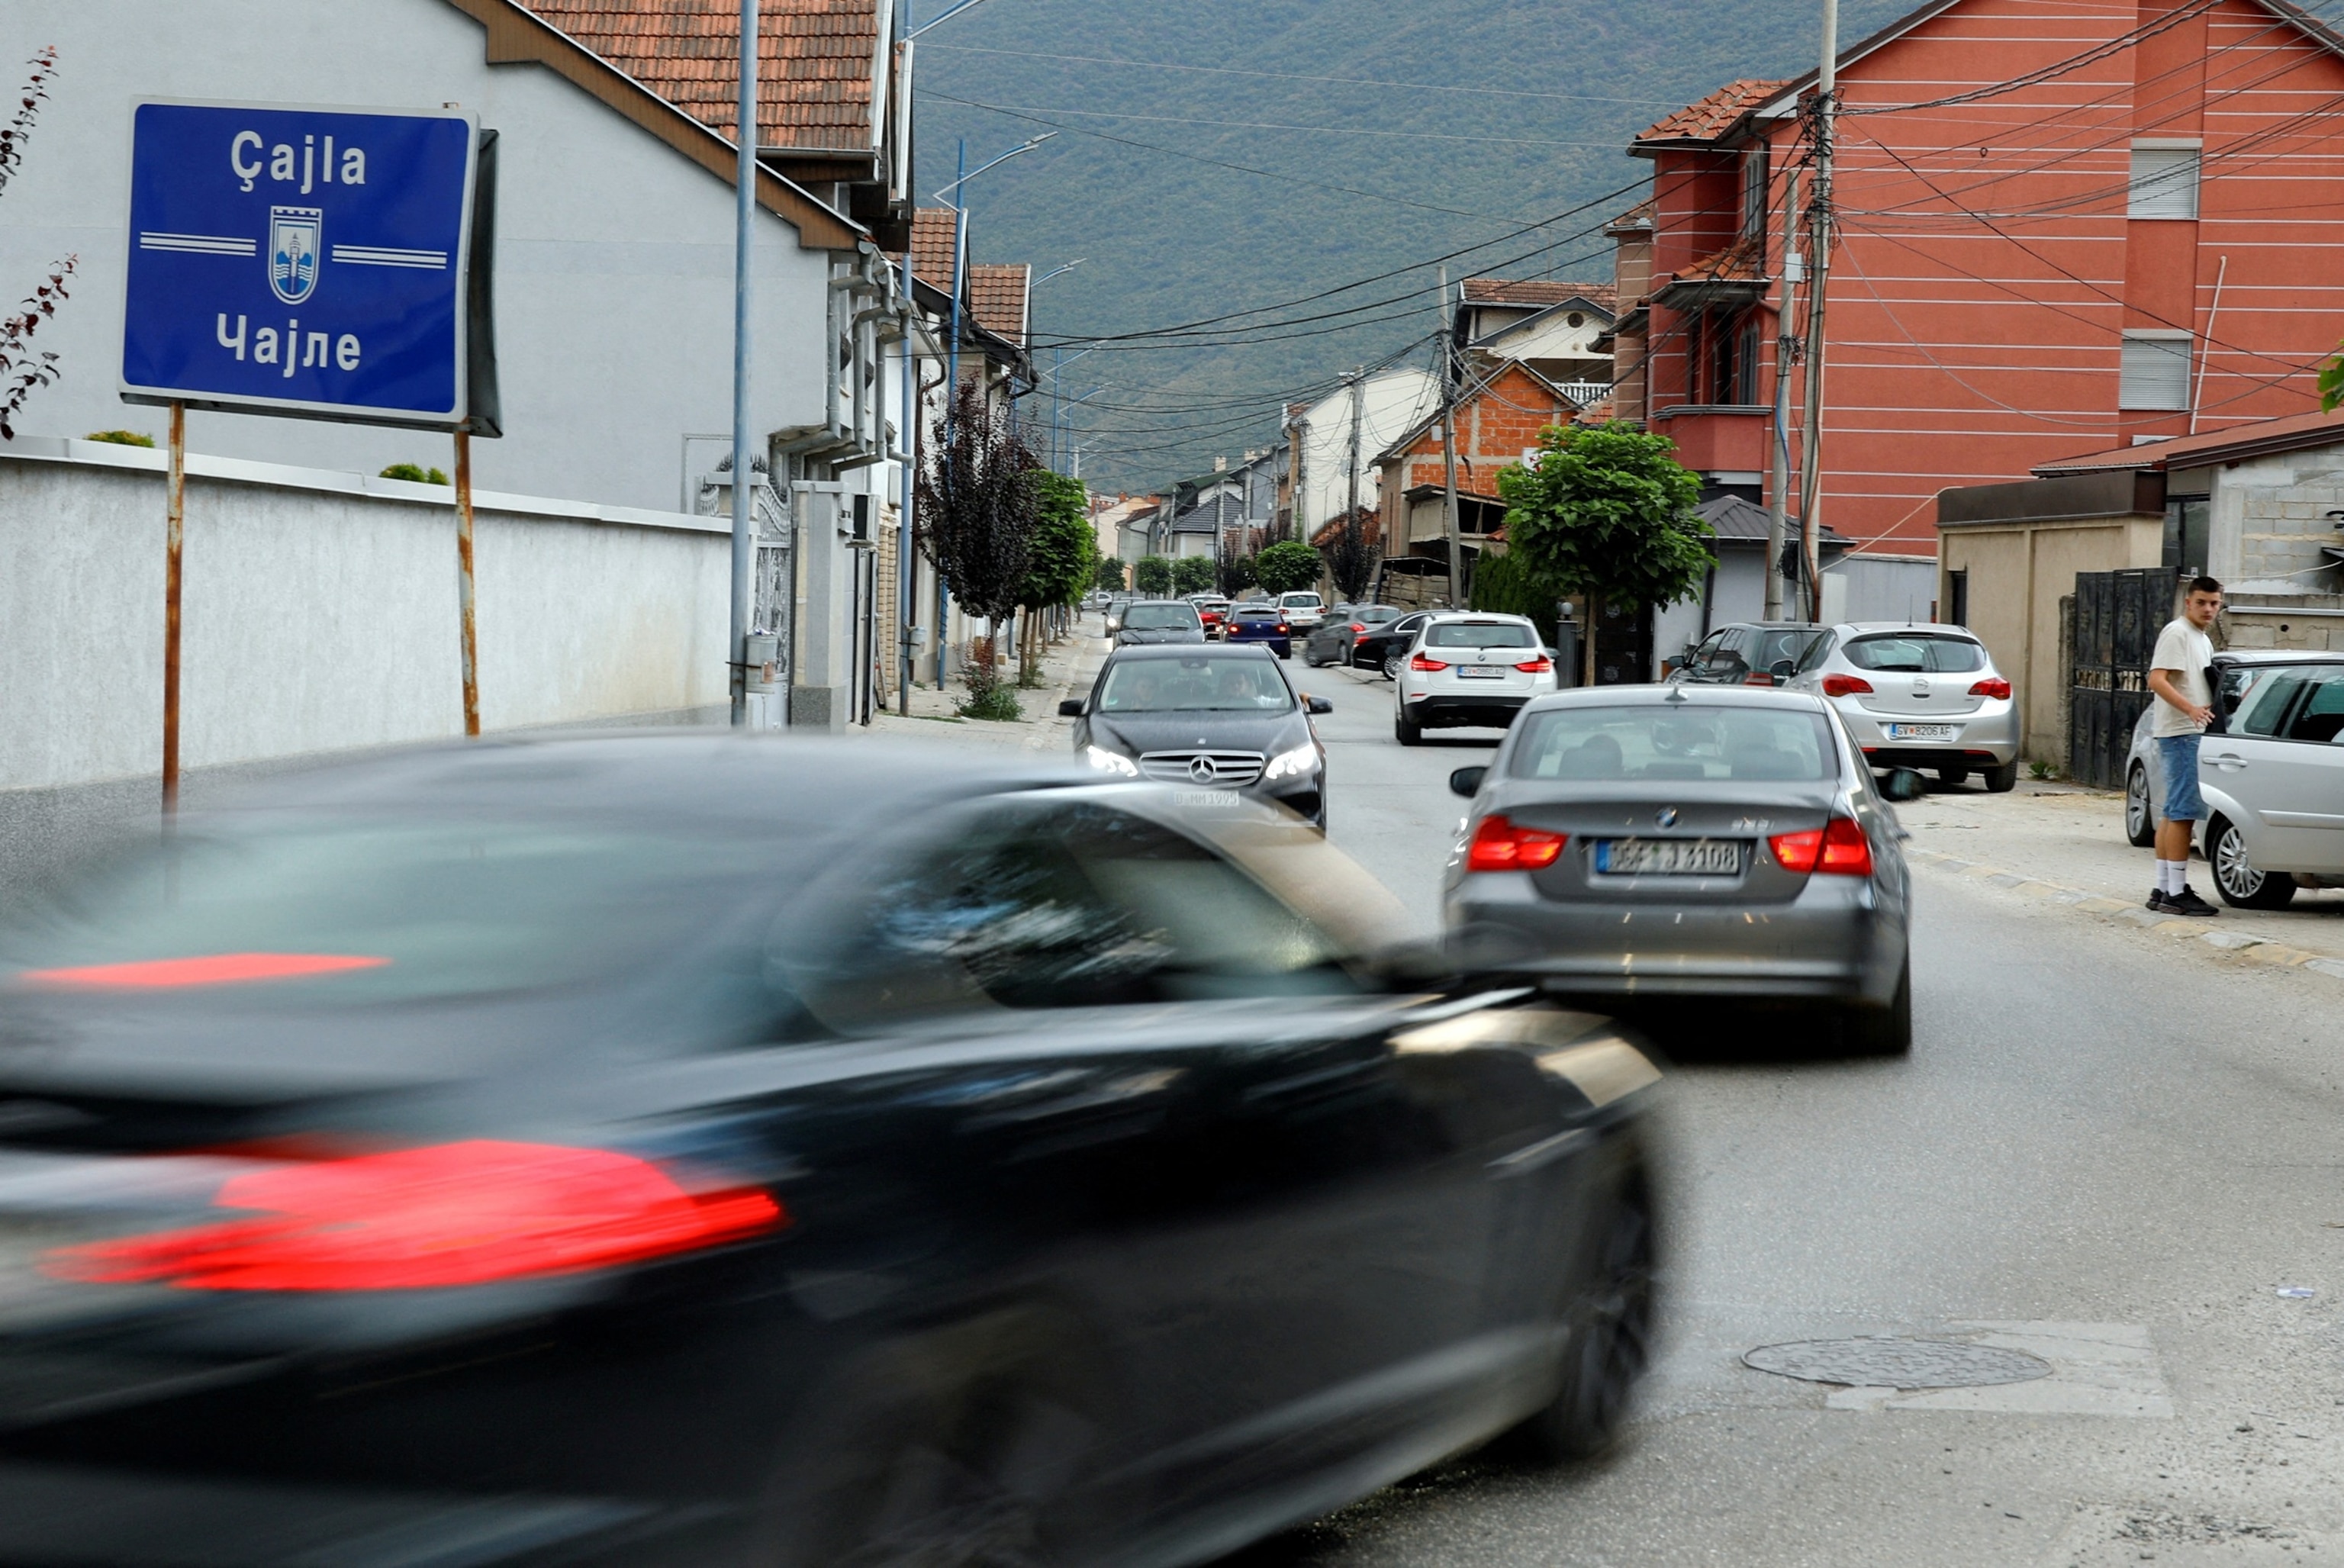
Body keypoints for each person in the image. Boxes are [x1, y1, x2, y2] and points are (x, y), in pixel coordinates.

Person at [2144, 575, 2223, 916]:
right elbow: (2156, 679)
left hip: (2187, 731)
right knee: (2183, 813)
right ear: (2188, 602)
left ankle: (2164, 888)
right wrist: (2191, 709)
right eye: (2202, 602)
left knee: (2173, 811)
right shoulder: (2177, 632)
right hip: (2182, 731)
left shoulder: (2201, 638)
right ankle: (2176, 892)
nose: (2208, 609)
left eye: (2215, 603)